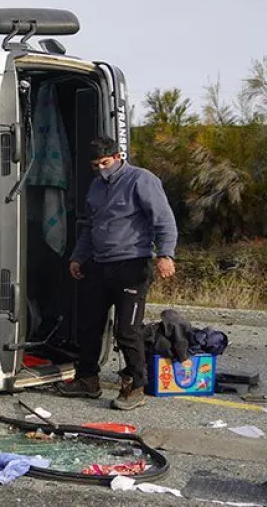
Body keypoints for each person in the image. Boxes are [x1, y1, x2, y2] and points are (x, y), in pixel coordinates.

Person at [57, 137, 178, 411]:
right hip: (100, 264)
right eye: (95, 165)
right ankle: (87, 380)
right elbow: (90, 226)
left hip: (132, 264)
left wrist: (166, 254)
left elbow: (163, 218)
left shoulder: (141, 180)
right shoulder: (97, 187)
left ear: (118, 156)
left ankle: (135, 385)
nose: (101, 169)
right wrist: (78, 256)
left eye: (106, 162)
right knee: (88, 325)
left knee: (127, 331)